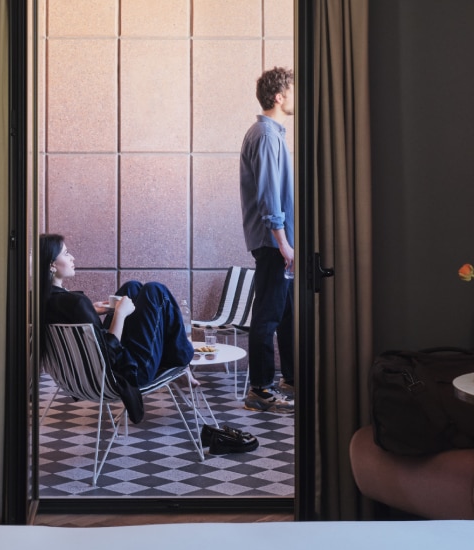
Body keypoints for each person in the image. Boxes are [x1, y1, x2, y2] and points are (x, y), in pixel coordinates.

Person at [40, 235, 255, 454]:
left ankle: (181, 359)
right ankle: (183, 360)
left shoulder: (43, 301)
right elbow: (110, 351)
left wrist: (93, 311)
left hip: (88, 378)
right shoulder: (77, 303)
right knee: (155, 291)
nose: (72, 257)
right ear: (51, 265)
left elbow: (93, 341)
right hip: (125, 375)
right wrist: (120, 315)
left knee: (132, 288)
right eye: (66, 253)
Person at [237, 67, 297, 415]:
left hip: (277, 242)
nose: (294, 96)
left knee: (286, 315)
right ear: (279, 96)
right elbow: (269, 197)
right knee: (267, 316)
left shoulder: (270, 133)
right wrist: (284, 242)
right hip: (275, 243)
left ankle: (290, 379)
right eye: (291, 90)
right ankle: (259, 389)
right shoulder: (266, 136)